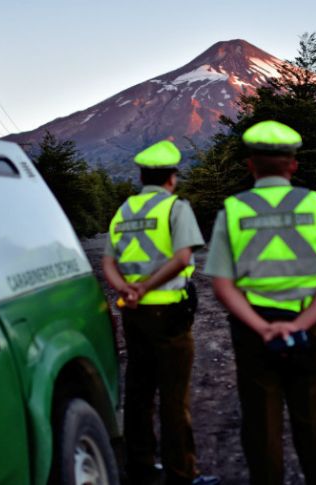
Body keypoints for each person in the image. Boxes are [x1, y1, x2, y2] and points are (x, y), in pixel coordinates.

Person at [202, 120, 316, 485]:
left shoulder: (234, 211)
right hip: (310, 329)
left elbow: (222, 284)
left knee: (261, 432)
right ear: (293, 164)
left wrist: (262, 327)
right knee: (314, 431)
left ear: (250, 165)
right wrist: (300, 325)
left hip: (255, 334)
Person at [102, 140, 219, 485]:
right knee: (173, 395)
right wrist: (147, 287)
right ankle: (181, 473)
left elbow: (108, 262)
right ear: (172, 177)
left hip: (134, 314)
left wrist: (127, 289)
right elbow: (182, 258)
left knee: (138, 390)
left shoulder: (124, 210)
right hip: (168, 313)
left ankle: (139, 466)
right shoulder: (175, 208)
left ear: (141, 176)